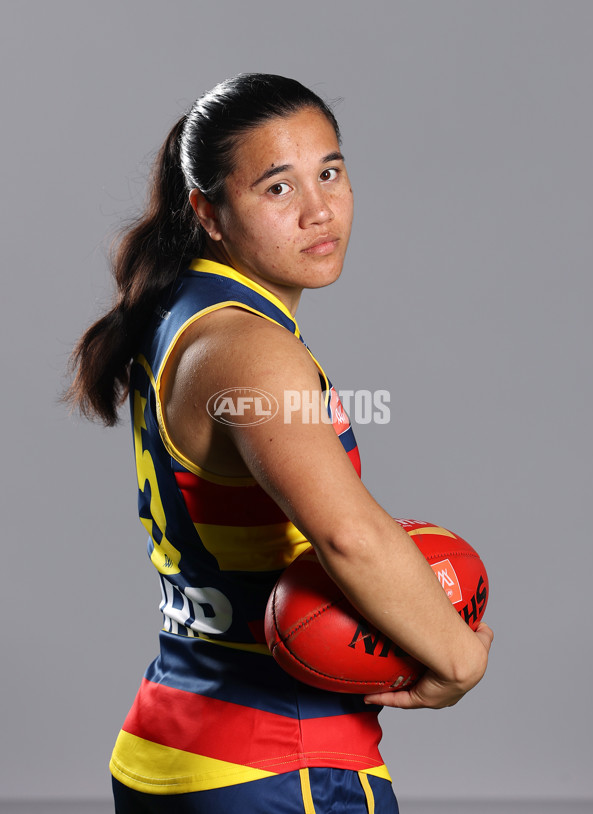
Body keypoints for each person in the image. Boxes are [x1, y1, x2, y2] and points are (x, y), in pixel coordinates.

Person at [68, 73, 493, 814]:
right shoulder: (248, 348)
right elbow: (349, 536)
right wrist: (457, 661)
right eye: (277, 189)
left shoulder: (182, 309)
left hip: (171, 745)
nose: (319, 209)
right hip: (279, 768)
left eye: (330, 171)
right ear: (209, 211)